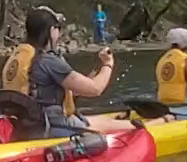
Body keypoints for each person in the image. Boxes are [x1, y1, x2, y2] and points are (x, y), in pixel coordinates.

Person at [16, 8, 137, 137]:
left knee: (105, 120)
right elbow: (95, 89)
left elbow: (69, 91)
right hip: (52, 127)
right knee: (130, 126)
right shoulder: (48, 61)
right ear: (51, 31)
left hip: (29, 126)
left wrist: (96, 69)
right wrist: (108, 64)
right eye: (58, 27)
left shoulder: (20, 57)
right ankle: (157, 124)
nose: (60, 32)